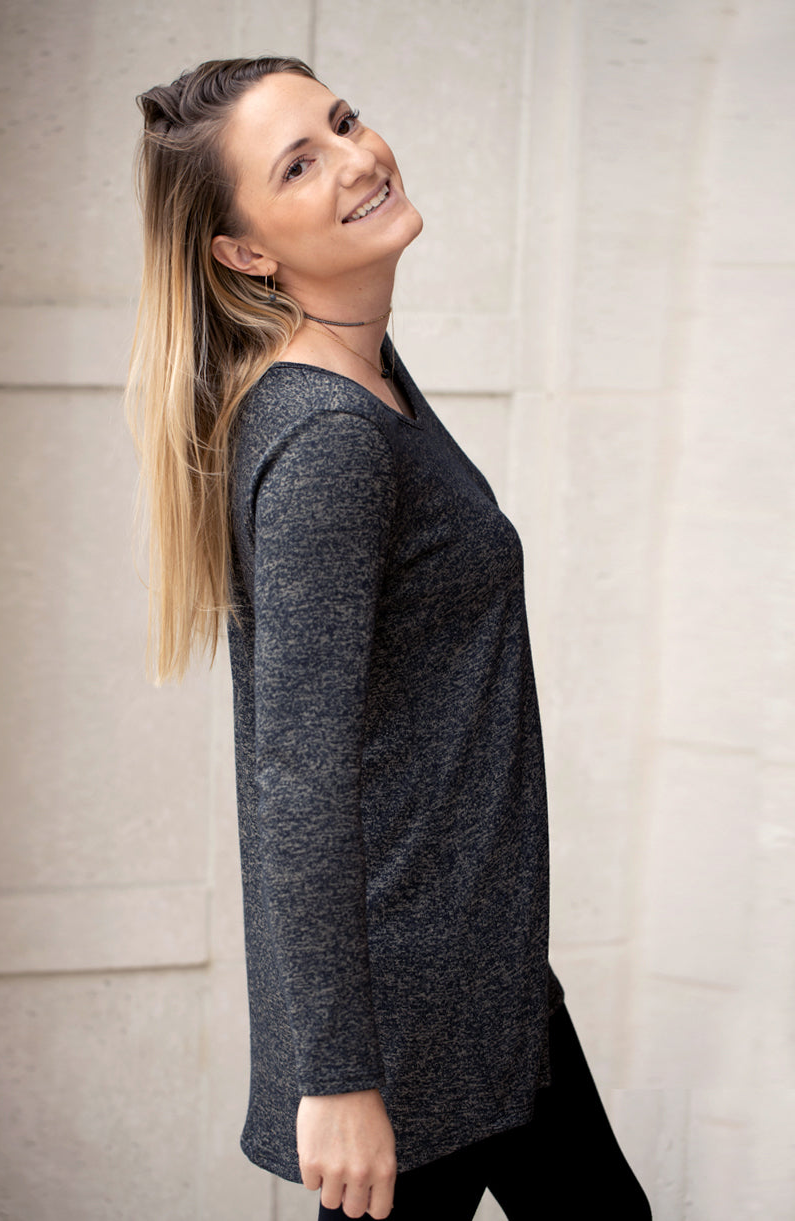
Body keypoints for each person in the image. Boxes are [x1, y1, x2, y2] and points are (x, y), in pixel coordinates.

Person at [127, 56, 651, 1221]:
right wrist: (338, 1081)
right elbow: (299, 779)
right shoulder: (327, 438)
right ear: (243, 253)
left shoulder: (368, 374)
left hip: (479, 969)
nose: (358, 158)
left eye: (344, 121)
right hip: (405, 1010)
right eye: (298, 165)